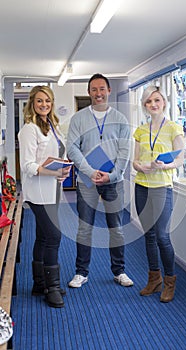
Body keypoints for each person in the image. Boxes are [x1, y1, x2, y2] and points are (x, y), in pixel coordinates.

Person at [67, 73, 133, 288]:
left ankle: (119, 271)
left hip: (113, 181)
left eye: (102, 89)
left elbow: (125, 151)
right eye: (94, 89)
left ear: (109, 91)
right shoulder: (78, 119)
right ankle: (81, 272)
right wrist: (90, 171)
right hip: (88, 181)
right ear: (89, 92)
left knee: (117, 228)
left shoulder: (121, 119)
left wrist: (112, 175)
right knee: (84, 228)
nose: (98, 93)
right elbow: (72, 149)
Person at [18, 85, 71, 308]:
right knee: (54, 237)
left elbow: (57, 153)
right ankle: (52, 288)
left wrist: (63, 169)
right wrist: (54, 171)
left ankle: (39, 283)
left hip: (52, 189)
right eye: (39, 101)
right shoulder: (30, 129)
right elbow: (28, 165)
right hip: (38, 192)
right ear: (32, 103)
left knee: (42, 237)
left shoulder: (52, 125)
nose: (44, 105)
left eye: (47, 101)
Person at [133, 85, 184, 302]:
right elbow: (134, 161)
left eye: (157, 100)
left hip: (162, 186)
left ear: (164, 102)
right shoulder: (141, 131)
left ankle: (170, 281)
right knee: (149, 235)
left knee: (162, 236)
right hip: (142, 186)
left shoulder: (173, 128)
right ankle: (154, 280)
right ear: (145, 106)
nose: (153, 105)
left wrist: (164, 166)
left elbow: (181, 159)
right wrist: (141, 167)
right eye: (148, 102)